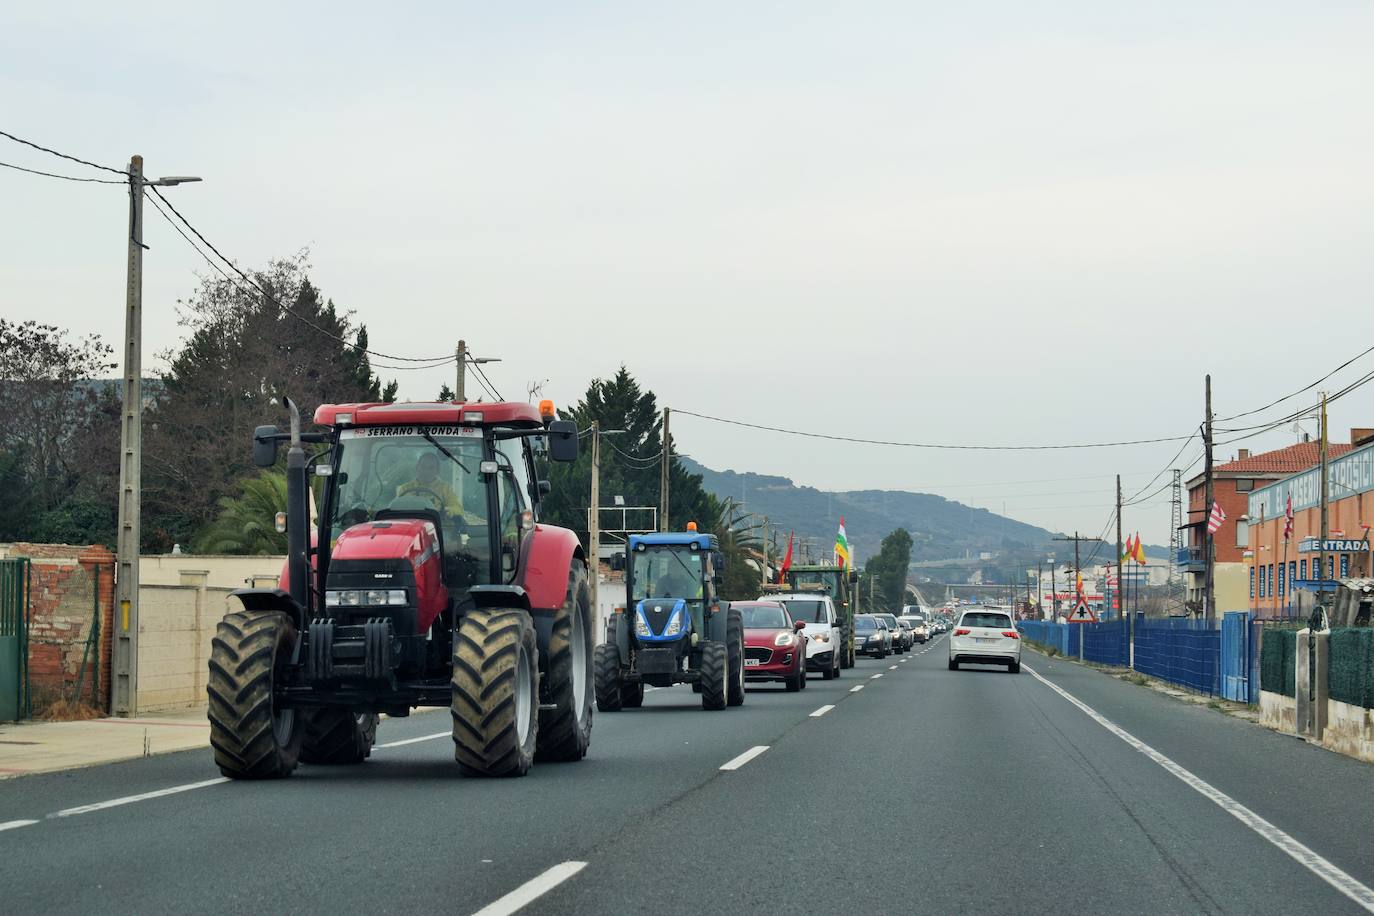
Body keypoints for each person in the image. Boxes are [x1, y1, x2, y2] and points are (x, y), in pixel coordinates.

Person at [396, 452, 463, 515]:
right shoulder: (405, 488)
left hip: (438, 525)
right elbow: (396, 509)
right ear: (417, 467)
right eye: (423, 466)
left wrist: (448, 510)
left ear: (437, 471)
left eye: (431, 468)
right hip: (411, 525)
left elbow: (458, 509)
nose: (426, 471)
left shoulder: (445, 488)